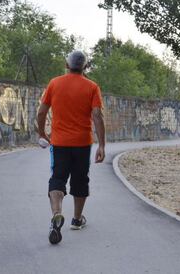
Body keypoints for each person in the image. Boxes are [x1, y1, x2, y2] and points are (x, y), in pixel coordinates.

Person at [37, 50, 106, 245]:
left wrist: (42, 133)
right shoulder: (92, 87)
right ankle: (77, 220)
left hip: (59, 143)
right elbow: (97, 116)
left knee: (57, 178)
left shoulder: (54, 83)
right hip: (83, 144)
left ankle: (57, 214)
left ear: (66, 65)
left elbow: (42, 112)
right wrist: (102, 144)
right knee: (80, 180)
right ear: (85, 67)